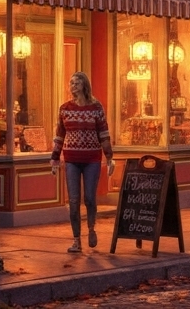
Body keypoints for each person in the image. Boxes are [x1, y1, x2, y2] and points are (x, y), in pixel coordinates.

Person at [51, 72, 115, 253]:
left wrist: (109, 156)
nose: (73, 86)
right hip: (71, 159)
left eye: (77, 83)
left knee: (89, 197)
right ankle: (76, 240)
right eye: (71, 83)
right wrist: (55, 157)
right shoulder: (65, 109)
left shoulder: (96, 108)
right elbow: (59, 135)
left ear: (84, 85)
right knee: (73, 200)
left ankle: (91, 229)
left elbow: (103, 133)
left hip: (92, 159)